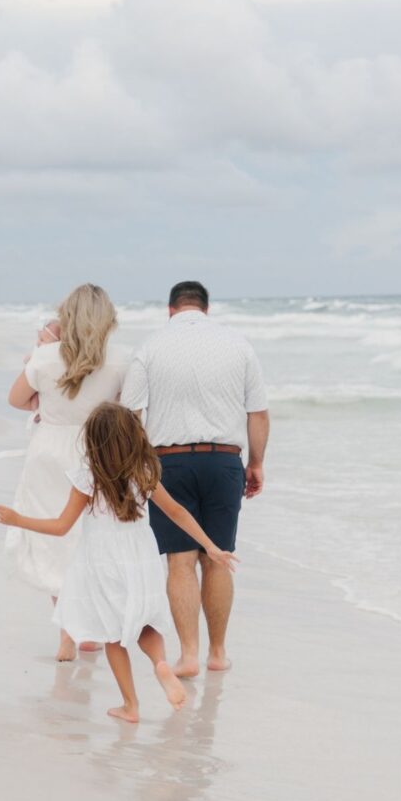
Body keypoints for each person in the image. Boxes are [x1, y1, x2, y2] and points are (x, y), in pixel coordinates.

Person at [0, 403, 238, 723]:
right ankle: (161, 664)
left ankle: (131, 706)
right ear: (133, 437)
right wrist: (210, 546)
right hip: (141, 558)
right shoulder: (145, 473)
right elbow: (177, 511)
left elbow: (61, 526)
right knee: (144, 622)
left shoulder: (87, 478)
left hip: (102, 561)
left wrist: (18, 519)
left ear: (93, 441)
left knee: (113, 633)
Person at [121, 281, 269, 675]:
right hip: (224, 461)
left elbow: (131, 414)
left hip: (169, 464)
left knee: (180, 561)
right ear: (207, 309)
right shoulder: (238, 345)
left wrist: (139, 469)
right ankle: (218, 653)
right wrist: (256, 464)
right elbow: (258, 412)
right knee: (218, 558)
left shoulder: (149, 347)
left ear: (170, 310)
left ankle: (188, 654)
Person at [6, 284, 129, 662]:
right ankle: (87, 626)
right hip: (97, 450)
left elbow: (15, 399)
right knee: (88, 537)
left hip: (49, 451)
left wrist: (43, 403)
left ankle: (66, 632)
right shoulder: (121, 360)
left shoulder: (45, 358)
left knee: (54, 536)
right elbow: (124, 411)